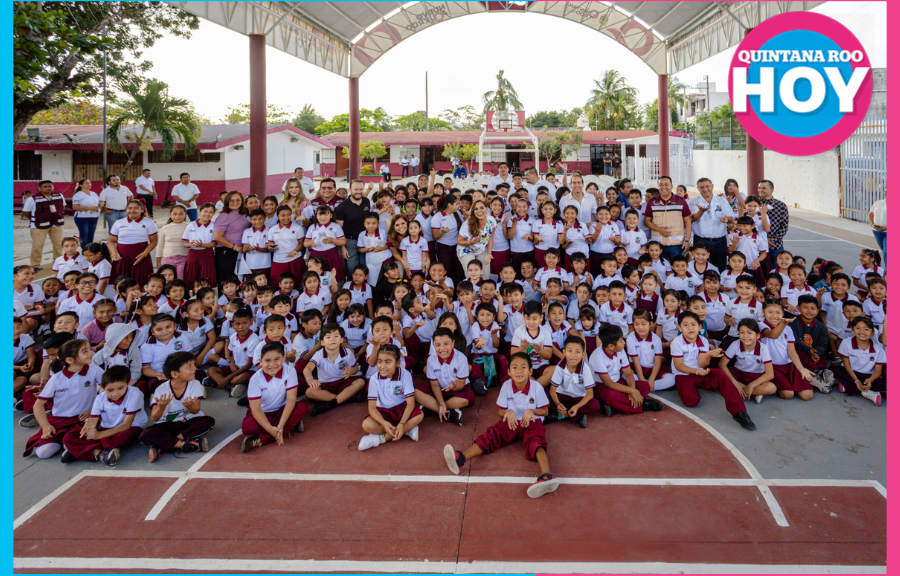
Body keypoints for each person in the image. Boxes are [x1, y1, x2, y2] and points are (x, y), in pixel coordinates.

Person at [442, 352, 560, 498]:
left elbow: (545, 410)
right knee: (492, 435)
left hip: (530, 422)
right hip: (511, 422)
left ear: (530, 371)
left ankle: (546, 476)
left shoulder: (536, 387)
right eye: (515, 367)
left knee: (536, 443)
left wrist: (532, 411)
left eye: (523, 367)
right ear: (509, 372)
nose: (519, 370)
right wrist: (507, 413)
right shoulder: (506, 386)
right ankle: (461, 459)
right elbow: (500, 411)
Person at [59, 365, 146, 465]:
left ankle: (78, 451)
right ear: (102, 387)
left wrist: (98, 435)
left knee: (122, 438)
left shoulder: (135, 394)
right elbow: (93, 421)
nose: (115, 394)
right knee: (68, 437)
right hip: (105, 428)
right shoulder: (100, 398)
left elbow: (126, 425)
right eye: (110, 390)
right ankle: (99, 453)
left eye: (120, 388)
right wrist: (89, 427)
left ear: (129, 383)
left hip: (130, 428)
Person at [140, 351, 215, 462]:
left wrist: (190, 407)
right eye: (189, 367)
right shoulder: (161, 390)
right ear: (174, 374)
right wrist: (161, 407)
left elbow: (196, 410)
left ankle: (166, 445)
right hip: (168, 424)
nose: (194, 368)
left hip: (188, 421)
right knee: (145, 435)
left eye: (194, 365)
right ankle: (185, 445)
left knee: (208, 421)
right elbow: (154, 418)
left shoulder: (194, 384)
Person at [240, 341, 308, 453]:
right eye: (267, 360)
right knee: (247, 427)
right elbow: (256, 409)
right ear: (260, 361)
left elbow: (291, 399)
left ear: (283, 358)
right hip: (264, 413)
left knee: (301, 408)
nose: (272, 364)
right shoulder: (255, 379)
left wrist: (280, 426)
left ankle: (260, 440)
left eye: (277, 359)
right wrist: (270, 430)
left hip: (283, 410)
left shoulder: (290, 371)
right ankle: (291, 425)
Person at [107, 200, 159, 286]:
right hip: (122, 258)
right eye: (129, 208)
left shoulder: (149, 223)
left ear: (142, 210)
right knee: (122, 285)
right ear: (126, 210)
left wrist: (145, 253)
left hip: (141, 257)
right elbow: (111, 241)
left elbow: (154, 241)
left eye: (136, 208)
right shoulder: (118, 223)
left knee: (140, 285)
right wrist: (114, 253)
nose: (132, 210)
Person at [643, 175, 692, 263]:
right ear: (658, 187)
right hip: (657, 245)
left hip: (676, 245)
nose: (664, 187)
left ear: (671, 186)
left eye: (666, 184)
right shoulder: (652, 202)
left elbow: (688, 221)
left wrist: (687, 241)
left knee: (677, 269)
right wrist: (658, 229)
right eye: (661, 185)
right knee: (659, 270)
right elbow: (646, 221)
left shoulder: (681, 201)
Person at [689, 177, 734, 271]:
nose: (705, 189)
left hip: (720, 241)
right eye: (702, 187)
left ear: (712, 186)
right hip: (701, 240)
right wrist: (701, 211)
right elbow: (693, 218)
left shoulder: (722, 200)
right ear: (698, 188)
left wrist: (727, 219)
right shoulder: (694, 201)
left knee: (720, 267)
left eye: (707, 186)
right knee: (700, 267)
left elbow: (731, 217)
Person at [22, 180, 67, 270]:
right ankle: (35, 265)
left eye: (49, 186)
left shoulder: (59, 196)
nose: (47, 188)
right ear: (39, 188)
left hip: (57, 224)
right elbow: (26, 212)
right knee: (37, 246)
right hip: (38, 226)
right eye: (44, 187)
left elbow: (62, 207)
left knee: (58, 245)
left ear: (52, 187)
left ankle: (58, 263)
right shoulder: (32, 198)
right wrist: (38, 219)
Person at [213, 191, 251, 285]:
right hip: (227, 252)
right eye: (231, 200)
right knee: (228, 282)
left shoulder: (241, 213)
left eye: (238, 200)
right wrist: (235, 247)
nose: (235, 202)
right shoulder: (224, 215)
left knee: (238, 281)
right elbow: (217, 237)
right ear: (226, 202)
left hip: (239, 251)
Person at [335, 179, 372, 276]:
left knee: (365, 268)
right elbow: (338, 229)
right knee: (352, 271)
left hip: (365, 241)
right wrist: (342, 247)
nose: (358, 192)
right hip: (350, 242)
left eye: (361, 189)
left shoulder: (366, 201)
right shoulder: (342, 207)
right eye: (355, 189)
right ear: (350, 190)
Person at [457, 200, 497, 282]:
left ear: (487, 209)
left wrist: (489, 254)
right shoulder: (467, 224)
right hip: (466, 250)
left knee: (486, 277)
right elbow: (459, 241)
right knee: (473, 277)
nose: (479, 211)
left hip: (482, 250)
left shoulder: (491, 221)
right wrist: (470, 242)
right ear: (473, 211)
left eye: (482, 208)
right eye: (476, 209)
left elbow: (490, 237)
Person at [182, 203, 218, 292]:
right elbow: (184, 244)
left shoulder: (214, 225)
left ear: (213, 214)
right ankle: (193, 299)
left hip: (207, 255)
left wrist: (202, 245)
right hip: (193, 255)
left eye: (211, 212)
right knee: (191, 279)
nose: (207, 214)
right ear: (199, 212)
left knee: (206, 279)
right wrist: (191, 245)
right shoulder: (191, 225)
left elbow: (214, 244)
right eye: (205, 211)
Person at [756, 179, 789, 262]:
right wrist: (763, 240)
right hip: (756, 246)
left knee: (776, 272)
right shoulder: (755, 204)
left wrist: (772, 240)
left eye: (764, 188)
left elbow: (784, 226)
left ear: (772, 190)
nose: (760, 190)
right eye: (759, 188)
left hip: (774, 246)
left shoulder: (781, 206)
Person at [156, 205, 190, 279]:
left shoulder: (189, 227)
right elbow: (160, 246)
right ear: (170, 215)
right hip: (168, 259)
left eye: (181, 214)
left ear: (185, 215)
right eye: (174, 214)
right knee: (167, 280)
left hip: (183, 259)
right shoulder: (165, 228)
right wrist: (158, 263)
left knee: (181, 281)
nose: (177, 216)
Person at [71, 179, 101, 247]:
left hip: (94, 216)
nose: (89, 185)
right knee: (84, 233)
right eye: (86, 183)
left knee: (91, 233)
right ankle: (84, 248)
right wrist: (89, 208)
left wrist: (99, 205)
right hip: (82, 217)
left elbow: (98, 202)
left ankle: (90, 247)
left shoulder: (94, 194)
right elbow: (75, 207)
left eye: (90, 183)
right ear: (81, 185)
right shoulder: (78, 195)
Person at [868, 195, 887, 264]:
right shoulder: (878, 203)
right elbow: (870, 214)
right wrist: (872, 224)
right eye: (885, 191)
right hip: (876, 232)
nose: (887, 193)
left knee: (886, 252)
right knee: (884, 251)